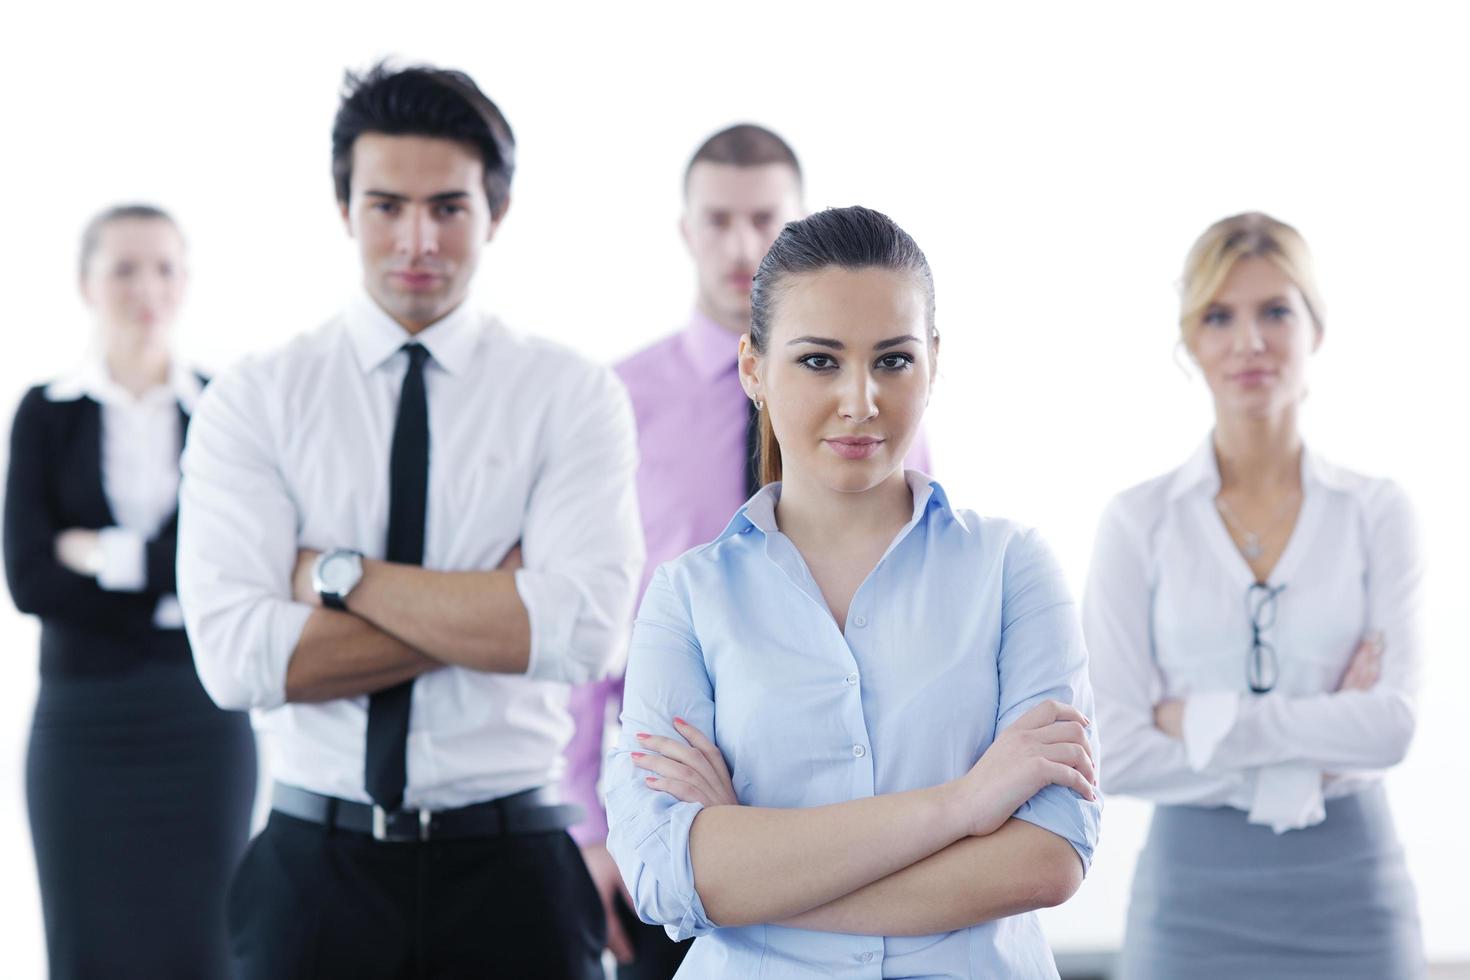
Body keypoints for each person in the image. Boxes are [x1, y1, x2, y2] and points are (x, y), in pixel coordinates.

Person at [175, 63, 643, 979]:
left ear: (495, 213)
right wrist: (501, 606)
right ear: (344, 207)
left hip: (513, 867)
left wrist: (338, 577)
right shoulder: (257, 398)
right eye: (386, 205)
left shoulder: (569, 395)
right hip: (315, 867)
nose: (416, 239)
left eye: (449, 208)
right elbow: (236, 660)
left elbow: (588, 633)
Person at [603, 206, 1100, 978]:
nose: (861, 399)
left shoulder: (1013, 569)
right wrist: (964, 807)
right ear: (752, 370)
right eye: (819, 361)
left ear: (934, 363)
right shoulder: (687, 598)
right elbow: (666, 874)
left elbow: (1047, 858)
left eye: (894, 360)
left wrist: (753, 865)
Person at [563, 124, 933, 978]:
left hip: (847, 804)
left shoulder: (877, 412)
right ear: (685, 230)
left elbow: (910, 590)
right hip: (675, 797)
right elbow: (587, 618)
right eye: (718, 220)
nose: (741, 246)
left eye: (764, 218)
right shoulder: (618, 404)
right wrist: (591, 824)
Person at [1084, 212, 1425, 978]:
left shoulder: (1377, 512)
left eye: (1276, 310)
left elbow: (1391, 727)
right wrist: (1319, 739)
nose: (1250, 341)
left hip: (1355, 893)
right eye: (1219, 316)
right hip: (1190, 901)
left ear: (1316, 329)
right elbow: (1120, 751)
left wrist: (1198, 719)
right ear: (1191, 341)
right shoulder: (1139, 522)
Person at [3, 204, 256, 979]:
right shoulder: (46, 412)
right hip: (82, 724)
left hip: (200, 717)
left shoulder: (222, 407)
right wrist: (160, 576)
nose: (147, 286)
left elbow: (230, 563)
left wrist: (100, 556)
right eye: (124, 268)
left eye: (164, 267)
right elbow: (29, 577)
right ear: (87, 283)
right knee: (87, 949)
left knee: (206, 946)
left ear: (185, 282)